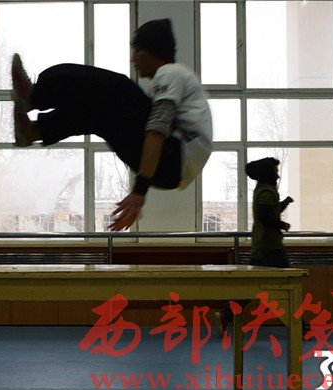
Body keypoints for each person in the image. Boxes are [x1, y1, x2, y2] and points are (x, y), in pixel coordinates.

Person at [11, 18, 212, 231]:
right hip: (169, 170)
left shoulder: (171, 73)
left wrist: (139, 191)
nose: (133, 58)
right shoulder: (170, 79)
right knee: (96, 113)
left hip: (172, 157)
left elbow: (158, 128)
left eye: (139, 50)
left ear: (155, 50)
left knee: (118, 87)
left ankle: (35, 96)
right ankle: (33, 131)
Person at [214, 157, 294, 335]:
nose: (278, 175)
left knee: (253, 287)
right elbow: (265, 216)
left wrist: (285, 203)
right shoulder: (266, 192)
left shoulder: (264, 190)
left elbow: (270, 211)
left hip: (262, 246)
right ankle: (300, 326)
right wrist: (282, 225)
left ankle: (226, 314)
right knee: (290, 285)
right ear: (268, 173)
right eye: (275, 171)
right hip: (270, 247)